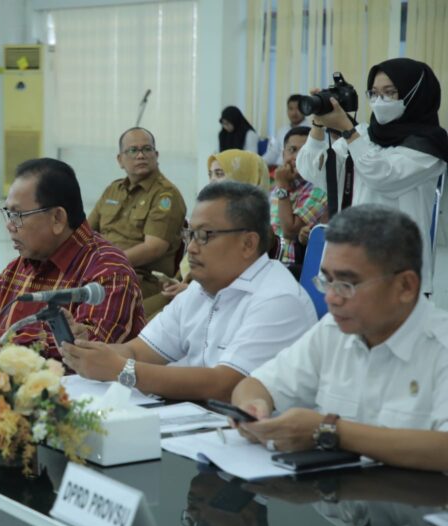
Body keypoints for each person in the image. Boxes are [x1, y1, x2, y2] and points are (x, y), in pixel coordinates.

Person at [232, 205, 448, 473]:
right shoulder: (332, 331)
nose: (331, 298)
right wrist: (253, 408)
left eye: (347, 284)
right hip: (335, 504)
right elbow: (254, 385)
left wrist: (328, 430)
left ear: (405, 286)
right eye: (327, 281)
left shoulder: (440, 347)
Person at [61, 181, 317, 401]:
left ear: (248, 243)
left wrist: (122, 370)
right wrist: (85, 351)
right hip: (198, 427)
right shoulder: (199, 289)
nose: (191, 248)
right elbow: (138, 352)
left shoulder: (278, 299)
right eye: (190, 234)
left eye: (205, 235)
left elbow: (225, 385)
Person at [0, 158, 145, 361]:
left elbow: (89, 350)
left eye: (17, 215)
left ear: (57, 218)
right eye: (8, 214)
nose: (9, 225)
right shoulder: (28, 261)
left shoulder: (108, 270)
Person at [295, 57, 448, 294]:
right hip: (351, 261)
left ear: (415, 94)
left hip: (398, 267)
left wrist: (348, 130)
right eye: (374, 93)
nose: (379, 101)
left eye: (390, 92)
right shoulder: (365, 134)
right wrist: (318, 123)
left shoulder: (428, 145)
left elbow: (382, 176)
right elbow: (312, 171)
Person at [143, 149, 271, 319]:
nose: (212, 181)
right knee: (128, 316)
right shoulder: (210, 217)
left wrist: (192, 291)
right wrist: (180, 283)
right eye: (210, 174)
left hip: (213, 306)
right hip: (187, 293)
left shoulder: (256, 232)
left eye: (219, 174)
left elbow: (235, 286)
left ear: (244, 178)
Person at [87, 127, 187, 299]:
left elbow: (153, 248)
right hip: (102, 273)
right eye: (133, 150)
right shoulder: (113, 190)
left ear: (156, 155)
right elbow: (86, 233)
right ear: (120, 160)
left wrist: (107, 264)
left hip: (140, 279)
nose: (141, 155)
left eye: (146, 149)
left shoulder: (165, 195)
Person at [269, 126, 327, 269]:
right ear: (283, 155)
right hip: (271, 261)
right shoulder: (277, 186)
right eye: (292, 150)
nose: (297, 157)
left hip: (294, 266)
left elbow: (290, 230)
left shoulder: (319, 188)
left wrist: (282, 186)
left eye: (304, 152)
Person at [262, 94, 310, 167]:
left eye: (298, 108)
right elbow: (273, 152)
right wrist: (259, 162)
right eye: (291, 108)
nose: (294, 113)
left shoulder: (311, 131)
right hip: (277, 168)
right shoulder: (282, 130)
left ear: (304, 109)